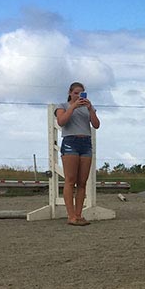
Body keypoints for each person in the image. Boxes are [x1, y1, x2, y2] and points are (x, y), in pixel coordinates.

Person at [55, 82, 100, 226]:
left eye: (81, 93)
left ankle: (79, 214)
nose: (78, 96)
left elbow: (96, 125)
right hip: (70, 142)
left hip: (86, 143)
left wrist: (90, 109)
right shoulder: (62, 106)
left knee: (82, 181)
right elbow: (61, 121)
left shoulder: (87, 108)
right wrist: (73, 107)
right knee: (70, 179)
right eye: (75, 93)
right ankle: (71, 215)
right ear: (69, 93)